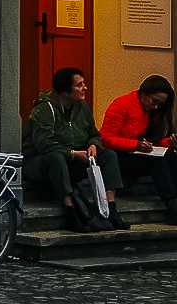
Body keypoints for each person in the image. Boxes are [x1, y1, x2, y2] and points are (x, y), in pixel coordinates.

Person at [24, 67, 128, 231]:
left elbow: (94, 133)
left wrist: (93, 144)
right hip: (40, 162)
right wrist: (72, 154)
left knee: (108, 156)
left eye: (84, 83)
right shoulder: (44, 109)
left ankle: (111, 208)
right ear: (65, 90)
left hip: (75, 160)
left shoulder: (82, 107)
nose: (85, 88)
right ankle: (71, 210)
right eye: (79, 85)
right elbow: (43, 143)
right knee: (56, 158)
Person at [101, 75, 177, 226]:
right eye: (154, 101)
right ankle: (173, 205)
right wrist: (136, 145)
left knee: (170, 156)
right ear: (144, 94)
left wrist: (170, 143)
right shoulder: (122, 105)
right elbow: (106, 138)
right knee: (157, 161)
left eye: (160, 104)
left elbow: (155, 141)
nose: (156, 107)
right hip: (119, 159)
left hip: (138, 155)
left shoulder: (152, 112)